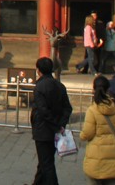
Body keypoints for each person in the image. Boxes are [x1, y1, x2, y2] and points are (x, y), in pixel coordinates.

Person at [31, 56, 73, 185]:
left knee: (47, 164)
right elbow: (68, 108)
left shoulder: (39, 87)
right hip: (55, 129)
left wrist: (56, 126)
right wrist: (61, 124)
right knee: (45, 160)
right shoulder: (60, 86)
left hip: (43, 129)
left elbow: (43, 111)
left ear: (38, 70)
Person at [81, 75, 115, 185]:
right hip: (114, 156)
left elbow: (87, 133)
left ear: (93, 89)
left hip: (95, 157)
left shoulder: (92, 110)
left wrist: (82, 136)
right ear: (108, 89)